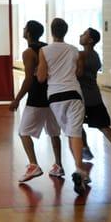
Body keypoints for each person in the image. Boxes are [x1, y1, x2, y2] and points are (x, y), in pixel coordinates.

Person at [37, 18, 89, 195]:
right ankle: (80, 170)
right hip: (74, 93)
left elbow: (41, 78)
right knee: (75, 133)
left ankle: (80, 171)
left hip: (55, 96)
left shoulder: (44, 51)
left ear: (51, 31)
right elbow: (79, 73)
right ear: (66, 31)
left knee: (70, 132)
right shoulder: (75, 51)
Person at [9, 20, 64, 182]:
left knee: (23, 132)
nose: (23, 29)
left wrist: (17, 99)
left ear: (29, 33)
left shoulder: (28, 52)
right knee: (54, 133)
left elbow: (28, 80)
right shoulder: (47, 48)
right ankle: (58, 165)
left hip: (37, 97)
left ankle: (33, 165)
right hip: (52, 94)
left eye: (25, 28)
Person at [77, 28, 111, 167]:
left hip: (81, 97)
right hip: (95, 96)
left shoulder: (80, 55)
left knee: (77, 124)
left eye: (84, 34)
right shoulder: (96, 56)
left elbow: (78, 74)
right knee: (103, 125)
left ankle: (85, 148)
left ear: (90, 40)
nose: (81, 35)